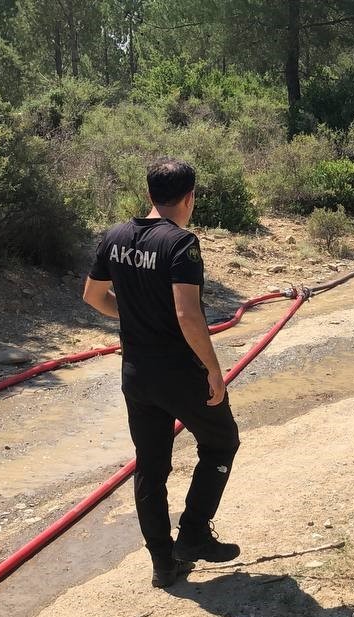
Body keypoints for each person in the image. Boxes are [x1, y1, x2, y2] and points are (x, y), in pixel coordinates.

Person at [83, 157, 242, 589]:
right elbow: (187, 314)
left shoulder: (115, 236)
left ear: (149, 192)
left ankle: (162, 563)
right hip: (179, 372)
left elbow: (92, 294)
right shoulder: (181, 243)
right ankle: (192, 534)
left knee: (150, 466)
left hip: (136, 374)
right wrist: (213, 370)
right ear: (189, 197)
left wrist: (129, 318)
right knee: (222, 441)